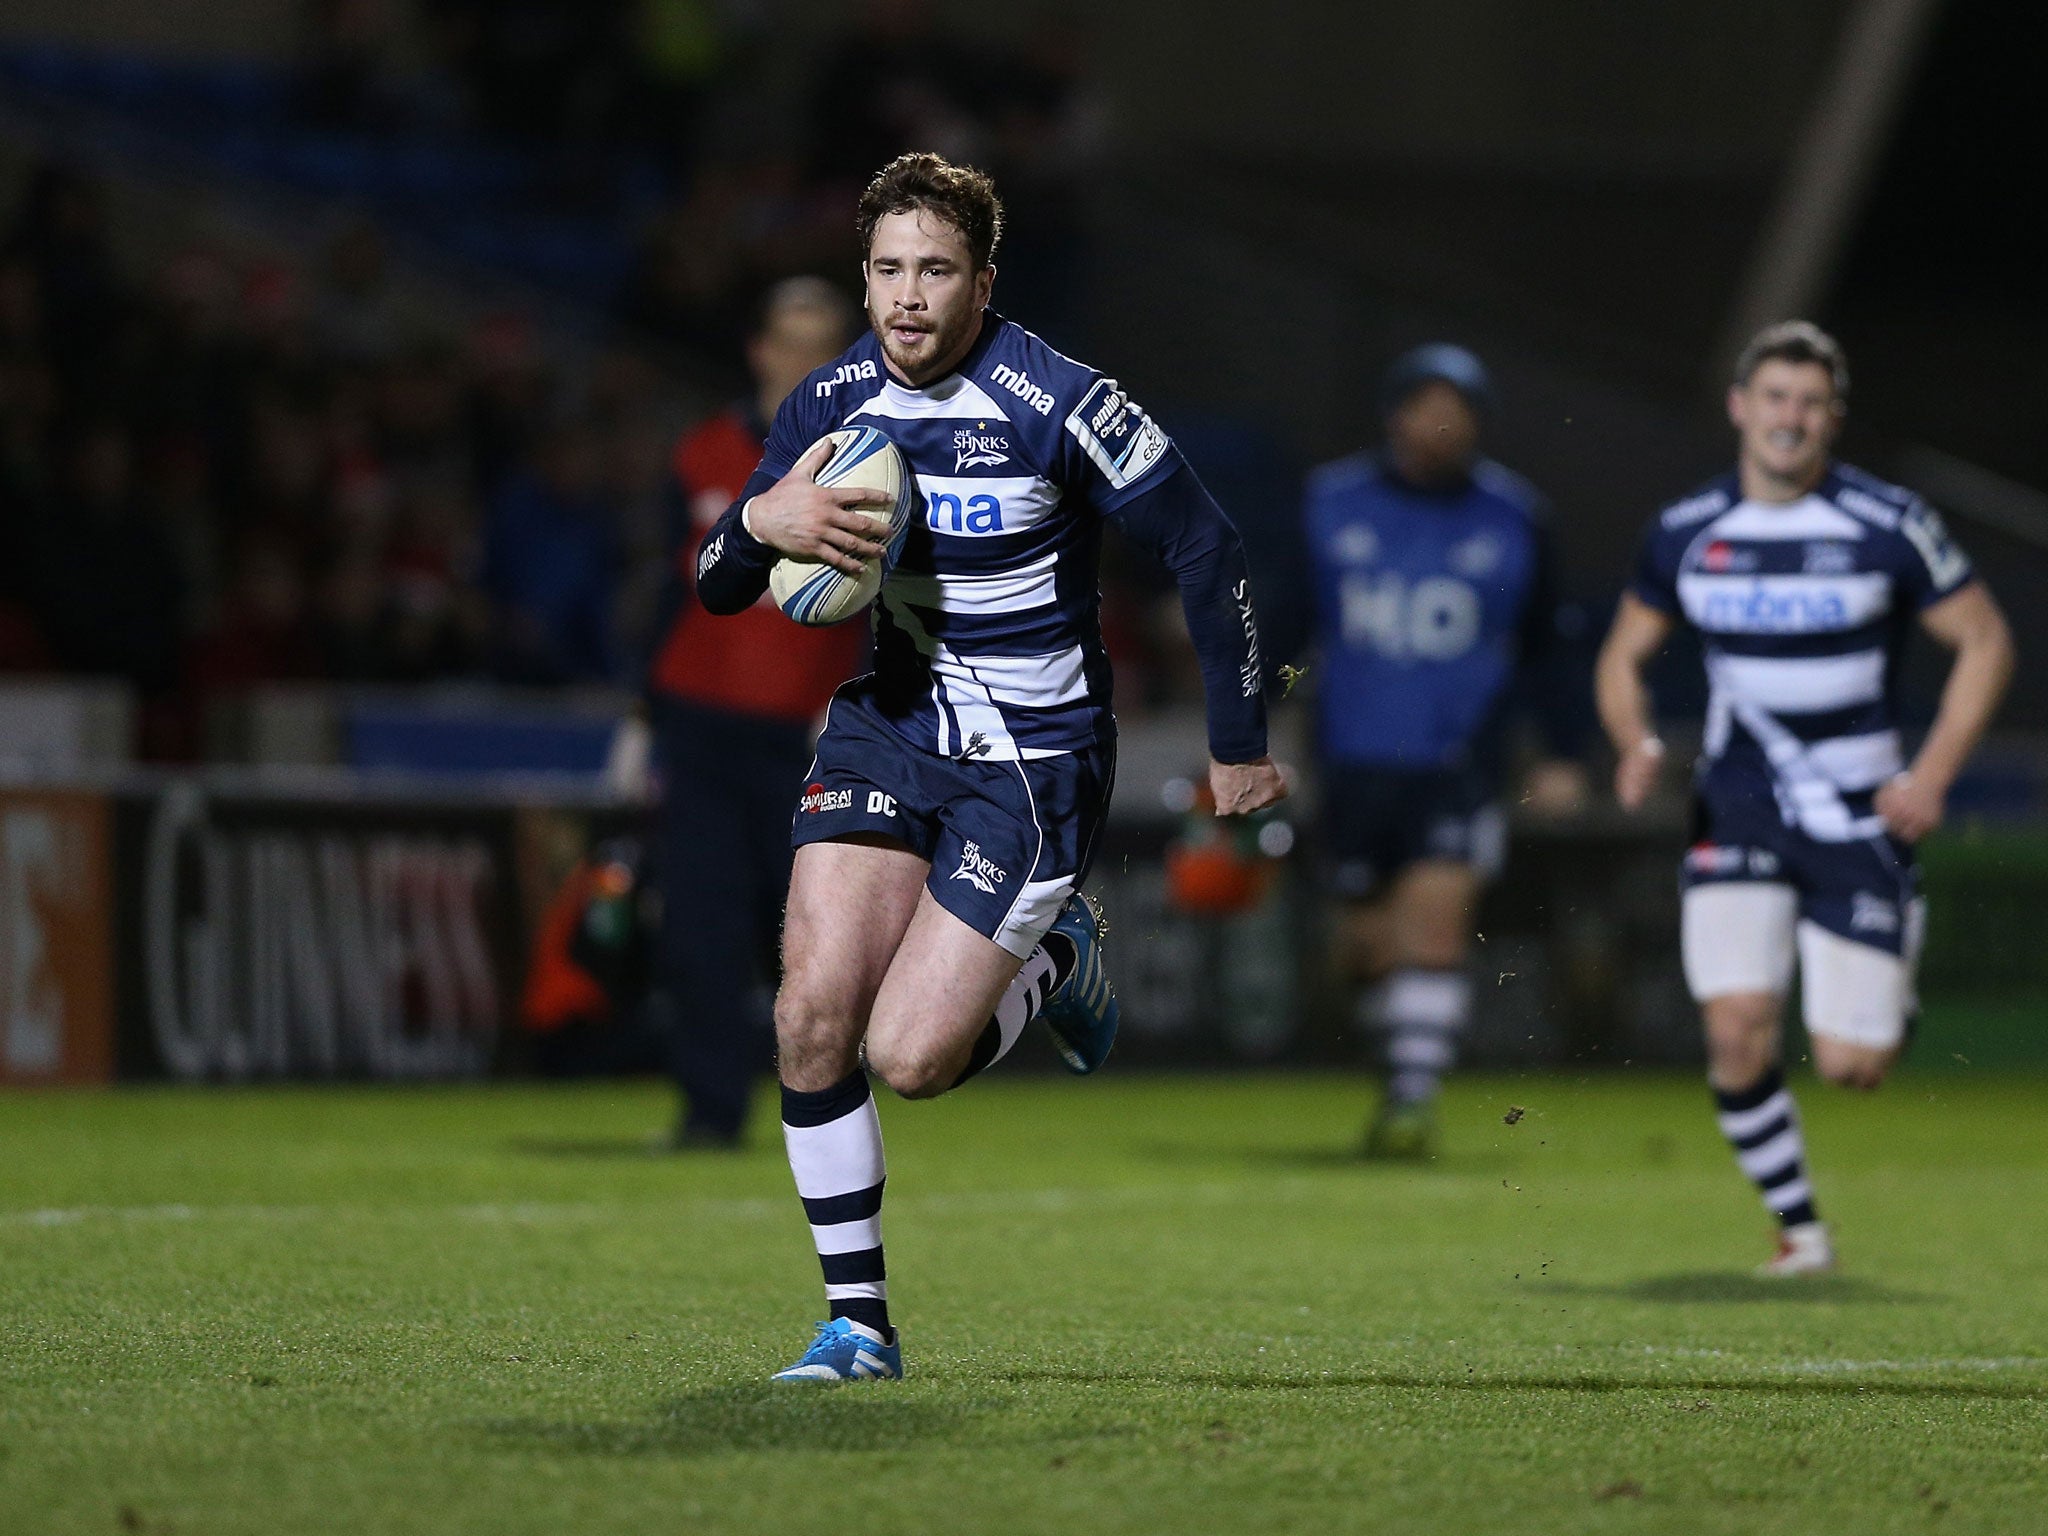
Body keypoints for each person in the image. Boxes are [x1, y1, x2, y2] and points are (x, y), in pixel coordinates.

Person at [695, 152, 1285, 1381]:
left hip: (1030, 764)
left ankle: (1063, 952)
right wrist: (762, 523)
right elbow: (716, 585)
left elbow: (1206, 545)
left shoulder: (1056, 398)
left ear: (982, 281)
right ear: (864, 279)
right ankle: (857, 1328)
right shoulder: (824, 407)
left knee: (908, 1062)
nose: (909, 297)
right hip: (886, 732)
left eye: (936, 271)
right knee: (809, 1017)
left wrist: (1237, 742)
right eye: (889, 270)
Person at [1595, 321, 2012, 1276]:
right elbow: (1624, 655)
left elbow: (1985, 641)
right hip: (1738, 803)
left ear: (1833, 419)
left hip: (1860, 813)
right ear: (1741, 408)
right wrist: (1634, 739)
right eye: (1775, 398)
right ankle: (1801, 1232)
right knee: (1736, 1028)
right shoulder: (1688, 530)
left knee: (1851, 1068)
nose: (1791, 419)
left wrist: (1934, 774)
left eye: (1810, 403)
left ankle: (1886, 984)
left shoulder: (1886, 522)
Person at [1300, 344, 1586, 1159]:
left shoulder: (1516, 516)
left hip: (1459, 763)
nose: (1444, 421)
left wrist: (1564, 751)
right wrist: (1243, 739)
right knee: (1362, 951)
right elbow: (1280, 624)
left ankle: (1410, 1103)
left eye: (1460, 407)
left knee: (1434, 927)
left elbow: (1548, 646)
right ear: (1393, 414)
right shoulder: (1330, 502)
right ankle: (1400, 1064)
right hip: (1351, 762)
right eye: (1428, 403)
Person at [643, 277, 867, 1147]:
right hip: (699, 724)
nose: (804, 360)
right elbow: (664, 590)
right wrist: (640, 712)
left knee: (810, 944)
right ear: (760, 348)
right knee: (699, 932)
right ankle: (709, 1114)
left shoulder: (871, 461)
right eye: (791, 340)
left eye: (824, 344)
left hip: (805, 739)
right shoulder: (700, 453)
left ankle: (825, 1118)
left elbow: (889, 612)